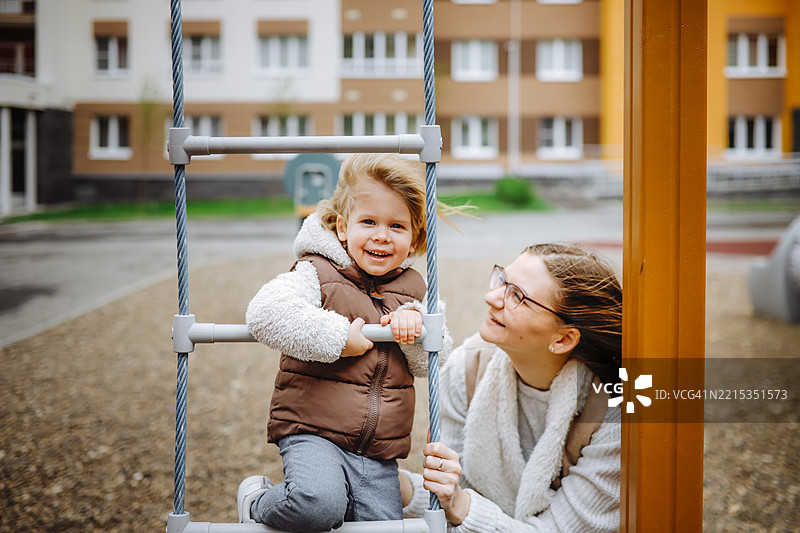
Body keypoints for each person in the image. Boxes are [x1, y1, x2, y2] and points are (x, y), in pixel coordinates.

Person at [237, 153, 451, 532]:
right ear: (341, 227)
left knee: (383, 528)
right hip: (313, 430)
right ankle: (256, 502)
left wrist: (415, 326)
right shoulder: (316, 271)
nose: (382, 235)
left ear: (414, 238)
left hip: (378, 447)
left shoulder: (416, 290)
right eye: (369, 222)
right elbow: (264, 312)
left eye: (397, 226)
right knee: (318, 505)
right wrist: (337, 337)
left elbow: (434, 359)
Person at [400, 243, 622, 532]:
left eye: (517, 295)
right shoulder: (467, 369)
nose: (491, 297)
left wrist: (460, 506)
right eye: (502, 280)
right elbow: (449, 495)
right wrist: (403, 489)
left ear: (564, 339)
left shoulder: (612, 412)